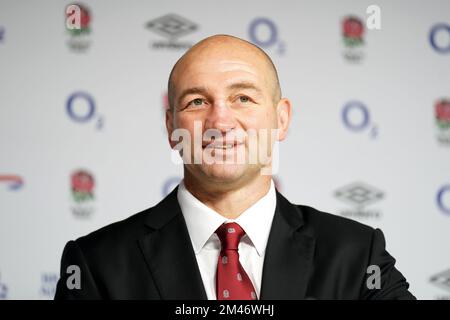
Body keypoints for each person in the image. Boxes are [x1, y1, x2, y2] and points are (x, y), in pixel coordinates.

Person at [54, 34, 415, 300]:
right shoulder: (95, 264)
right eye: (197, 101)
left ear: (281, 118)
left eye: (243, 98)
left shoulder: (356, 253)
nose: (220, 120)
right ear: (171, 127)